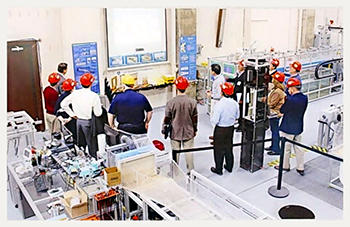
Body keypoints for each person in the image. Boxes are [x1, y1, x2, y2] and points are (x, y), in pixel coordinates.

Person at [60, 73, 103, 158]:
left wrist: (72, 114)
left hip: (78, 121)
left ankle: (82, 160)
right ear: (91, 83)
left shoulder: (75, 93)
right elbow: (98, 114)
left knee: (81, 145)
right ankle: (94, 161)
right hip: (88, 122)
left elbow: (63, 104)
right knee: (91, 145)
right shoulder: (94, 96)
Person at [162, 76, 198, 175]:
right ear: (186, 87)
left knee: (175, 152)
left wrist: (164, 130)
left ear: (176, 87)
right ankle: (191, 172)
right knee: (189, 153)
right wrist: (195, 129)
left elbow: (167, 119)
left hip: (175, 132)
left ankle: (175, 172)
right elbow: (195, 118)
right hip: (189, 131)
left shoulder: (171, 103)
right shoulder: (193, 102)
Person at [274, 78, 308, 176]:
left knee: (286, 149)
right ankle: (300, 167)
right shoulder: (304, 98)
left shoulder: (291, 100)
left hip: (287, 128)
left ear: (292, 89)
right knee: (299, 148)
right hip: (298, 127)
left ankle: (285, 165)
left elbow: (283, 110)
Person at [210, 82, 240, 175]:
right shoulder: (235, 103)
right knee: (228, 148)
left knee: (218, 149)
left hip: (220, 129)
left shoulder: (220, 104)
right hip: (230, 129)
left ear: (222, 92)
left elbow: (215, 120)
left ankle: (218, 169)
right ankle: (229, 166)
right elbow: (237, 116)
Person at [262, 71, 286, 155]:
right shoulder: (276, 89)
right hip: (274, 113)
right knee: (273, 130)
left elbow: (271, 103)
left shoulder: (277, 91)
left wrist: (265, 101)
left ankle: (276, 149)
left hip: (275, 114)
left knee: (275, 131)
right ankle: (273, 146)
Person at [233, 59, 250, 132]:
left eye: (239, 65)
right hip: (238, 96)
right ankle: (240, 124)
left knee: (243, 111)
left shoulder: (245, 76)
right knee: (239, 111)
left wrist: (242, 99)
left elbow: (246, 89)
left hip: (243, 97)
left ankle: (242, 126)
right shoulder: (239, 74)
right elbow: (236, 80)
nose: (238, 67)